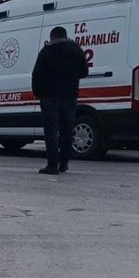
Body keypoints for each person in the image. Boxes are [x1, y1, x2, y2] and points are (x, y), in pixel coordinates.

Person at [31, 26, 90, 175]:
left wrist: (38, 92)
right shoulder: (76, 50)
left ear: (52, 37)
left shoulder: (46, 52)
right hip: (69, 96)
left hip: (50, 97)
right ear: (65, 35)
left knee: (51, 131)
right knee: (67, 130)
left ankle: (52, 165)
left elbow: (37, 75)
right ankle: (64, 163)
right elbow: (84, 72)